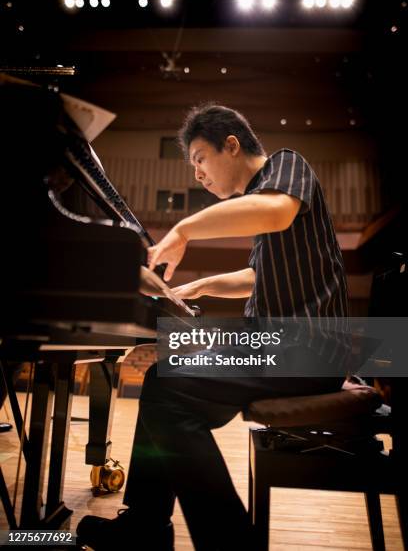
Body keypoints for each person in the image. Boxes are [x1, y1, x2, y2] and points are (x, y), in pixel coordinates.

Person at [77, 104, 349, 550]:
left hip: (308, 348)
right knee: (163, 379)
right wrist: (198, 287)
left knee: (170, 391)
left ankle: (222, 541)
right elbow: (256, 278)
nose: (198, 174)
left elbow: (275, 212)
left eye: (200, 158)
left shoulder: (285, 167)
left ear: (232, 145)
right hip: (282, 344)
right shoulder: (263, 206)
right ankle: (144, 524)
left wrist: (184, 229)